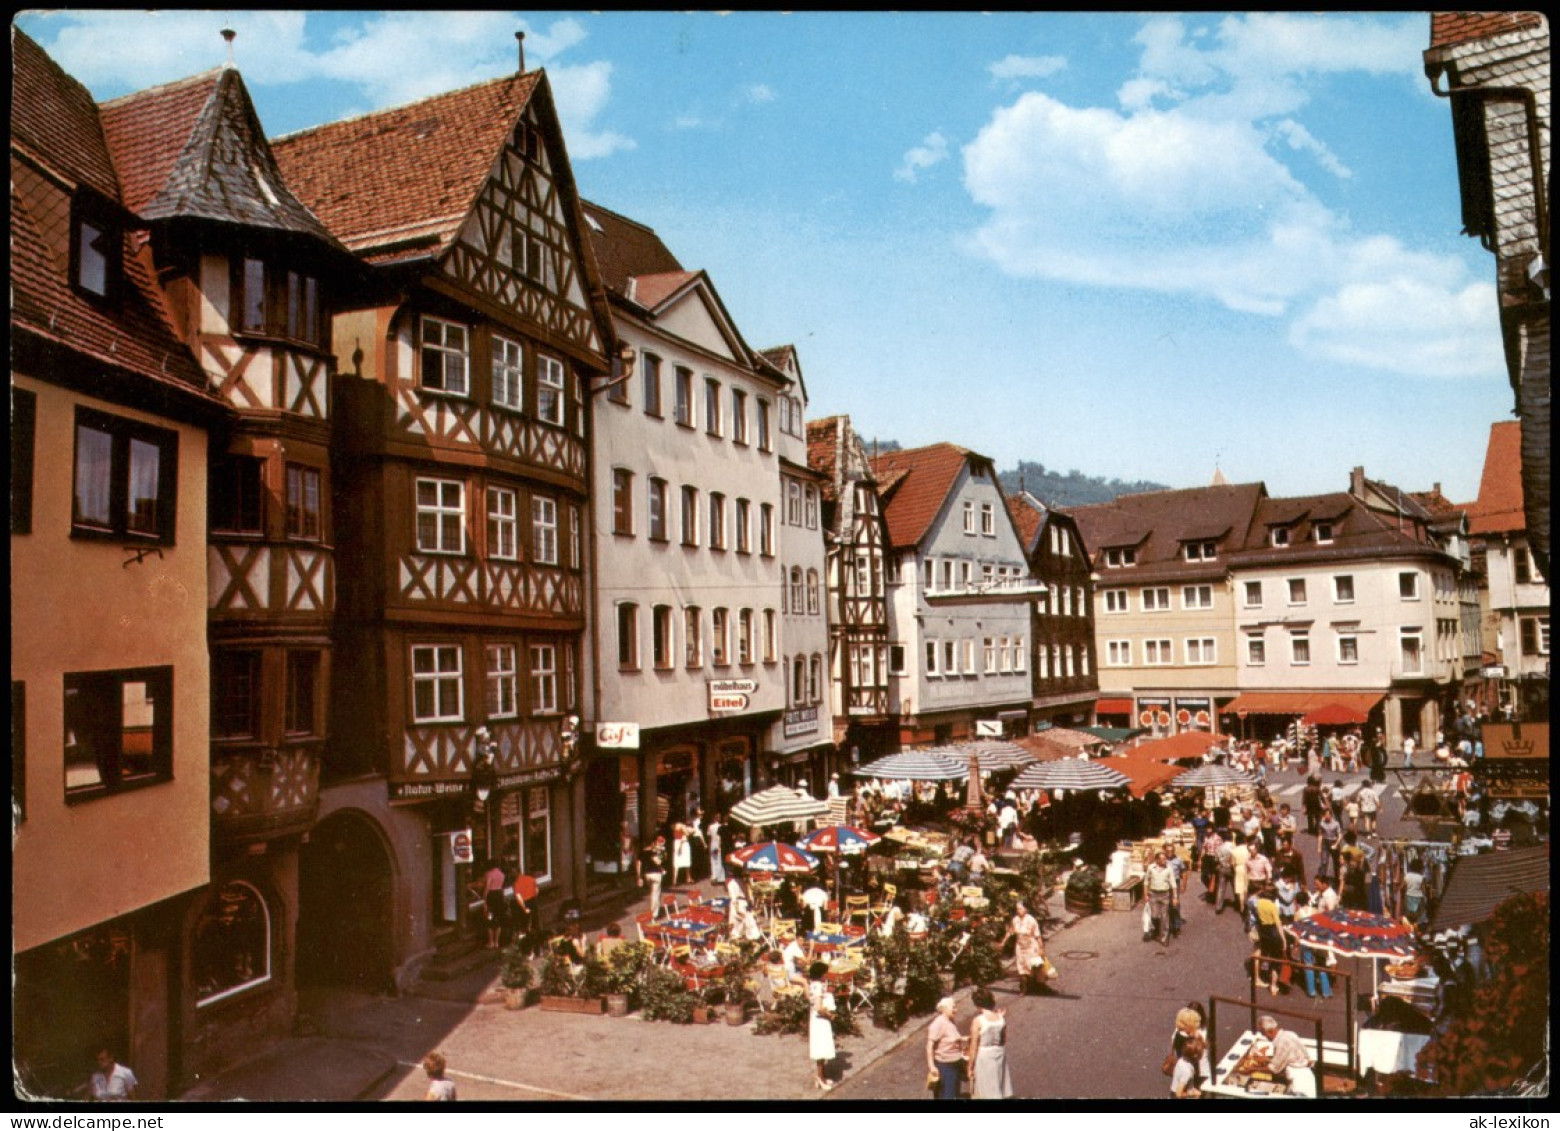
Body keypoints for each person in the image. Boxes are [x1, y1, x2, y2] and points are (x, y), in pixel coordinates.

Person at [967, 986, 1013, 1099]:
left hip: (984, 1056)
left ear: (977, 1004)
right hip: (999, 1053)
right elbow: (1003, 1040)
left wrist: (970, 1066)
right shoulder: (1001, 1018)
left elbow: (973, 1047)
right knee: (998, 1083)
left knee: (985, 1087)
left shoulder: (978, 1021)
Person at [1257, 1015, 1316, 1097]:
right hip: (1307, 1075)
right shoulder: (1290, 1034)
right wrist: (1266, 1059)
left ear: (1269, 1031)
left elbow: (1273, 1069)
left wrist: (1251, 1070)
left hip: (1299, 1085)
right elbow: (1288, 1058)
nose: (1264, 1036)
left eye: (1263, 1033)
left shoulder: (1281, 1043)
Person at [805, 961, 837, 1091]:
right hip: (820, 1020)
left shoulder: (813, 985)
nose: (827, 975)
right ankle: (819, 1077)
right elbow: (818, 1007)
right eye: (825, 973)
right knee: (821, 1048)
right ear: (821, 974)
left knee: (821, 1048)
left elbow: (810, 999)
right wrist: (830, 1015)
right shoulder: (818, 986)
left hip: (815, 1019)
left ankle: (821, 1075)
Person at [926, 996, 966, 1100]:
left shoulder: (950, 1021)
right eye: (953, 1007)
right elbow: (929, 1046)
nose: (956, 1010)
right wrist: (931, 1066)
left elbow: (950, 1038)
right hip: (945, 1066)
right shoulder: (938, 1023)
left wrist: (964, 1040)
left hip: (955, 1063)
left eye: (956, 1007)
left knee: (953, 1093)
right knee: (946, 1095)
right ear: (945, 1009)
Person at [1003, 900, 1046, 994]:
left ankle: (1037, 986)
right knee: (1021, 966)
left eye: (1020, 908)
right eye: (1017, 909)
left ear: (1026, 909)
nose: (1018, 911)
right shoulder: (1015, 919)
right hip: (1020, 946)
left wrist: (1041, 948)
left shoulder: (1031, 920)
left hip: (1031, 946)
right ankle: (1023, 988)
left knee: (1034, 967)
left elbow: (1037, 935)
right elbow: (1010, 931)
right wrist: (1003, 942)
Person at [1145, 850, 1177, 946]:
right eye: (1163, 859)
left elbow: (1173, 883)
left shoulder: (1168, 868)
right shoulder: (1151, 868)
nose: (1165, 860)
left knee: (1164, 916)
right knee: (1154, 916)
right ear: (1157, 860)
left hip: (1165, 895)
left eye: (1165, 858)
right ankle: (1157, 930)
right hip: (1153, 894)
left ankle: (1164, 938)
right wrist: (1145, 894)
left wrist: (1175, 897)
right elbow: (1146, 881)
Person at [638, 835, 667, 918]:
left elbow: (638, 864)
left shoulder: (643, 851)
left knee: (652, 892)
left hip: (647, 874)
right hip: (656, 874)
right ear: (653, 843)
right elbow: (658, 862)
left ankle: (653, 909)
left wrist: (639, 877)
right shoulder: (655, 852)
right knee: (655, 893)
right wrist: (662, 854)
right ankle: (654, 914)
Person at [482, 859, 508, 949]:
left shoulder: (489, 874)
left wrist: (484, 900)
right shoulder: (502, 874)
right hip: (499, 895)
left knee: (489, 919)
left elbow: (487, 887)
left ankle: (491, 942)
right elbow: (502, 887)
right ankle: (497, 942)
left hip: (491, 896)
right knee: (498, 919)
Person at [671, 823, 692, 887]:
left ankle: (674, 880)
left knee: (676, 862)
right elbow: (687, 834)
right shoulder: (681, 825)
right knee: (686, 860)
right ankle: (688, 878)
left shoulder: (674, 826)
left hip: (676, 842)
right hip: (683, 844)